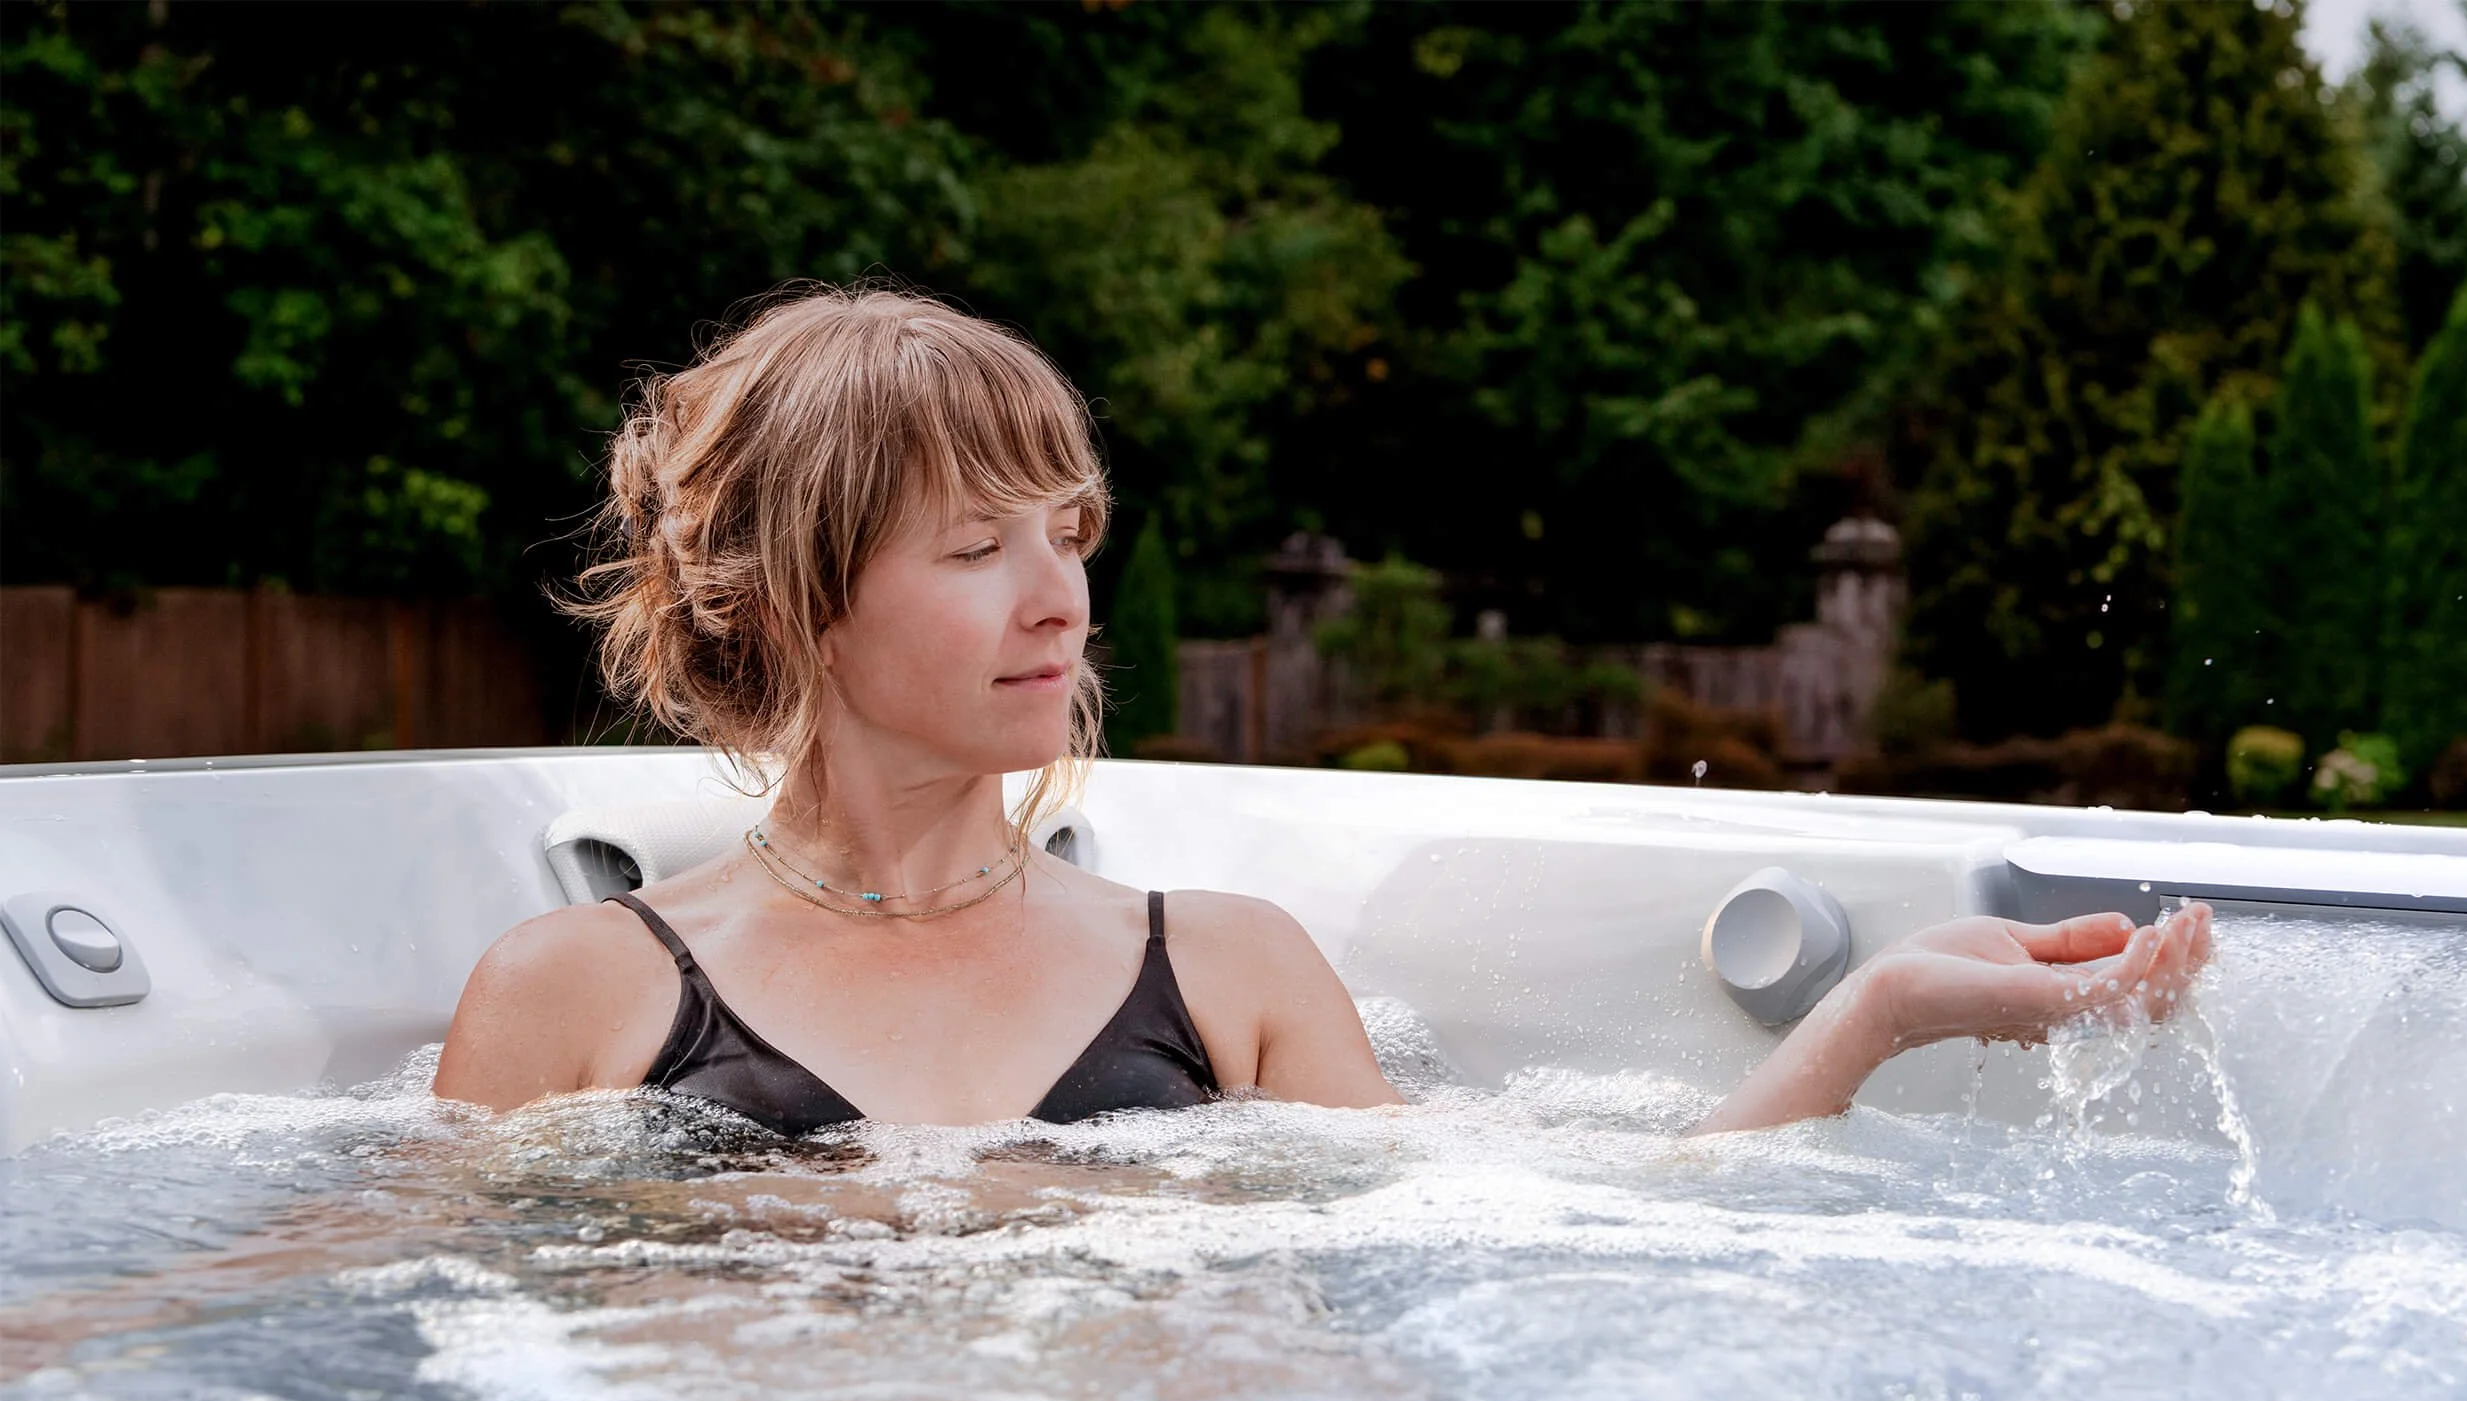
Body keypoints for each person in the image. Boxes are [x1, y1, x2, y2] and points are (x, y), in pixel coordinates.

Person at [434, 287, 2210, 1134]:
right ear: (796, 599)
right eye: (978, 547)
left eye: (1071, 535)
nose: (1060, 595)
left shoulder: (1225, 970)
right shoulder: (577, 993)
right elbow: (381, 1315)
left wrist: (1885, 1008)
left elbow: (1590, 1220)